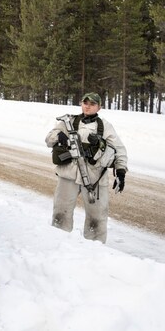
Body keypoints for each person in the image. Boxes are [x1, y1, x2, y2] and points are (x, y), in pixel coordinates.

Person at [44, 92, 128, 243]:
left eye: (92, 104)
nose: (88, 106)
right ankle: (57, 245)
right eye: (85, 103)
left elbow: (119, 150)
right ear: (81, 104)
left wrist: (121, 171)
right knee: (60, 213)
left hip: (94, 179)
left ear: (99, 107)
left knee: (97, 218)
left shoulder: (105, 126)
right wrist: (58, 136)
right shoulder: (68, 121)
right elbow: (49, 139)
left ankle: (94, 252)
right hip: (68, 175)